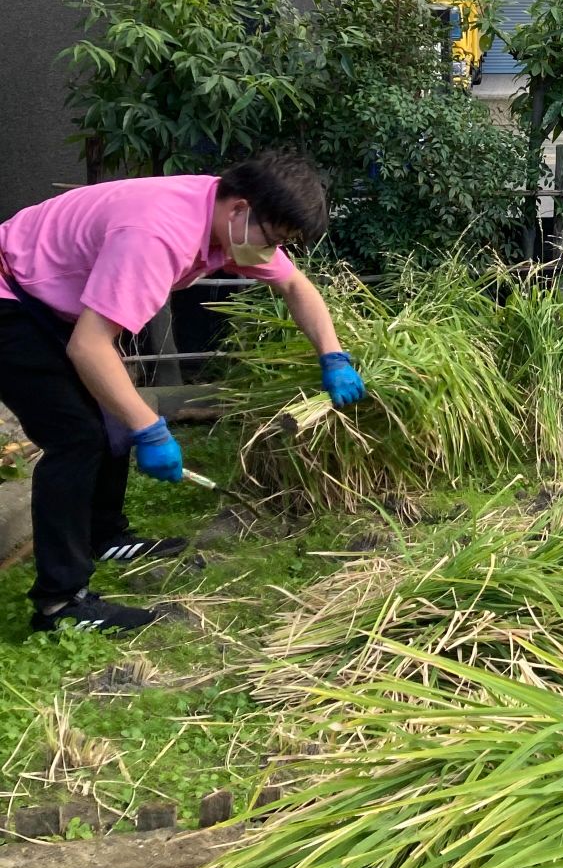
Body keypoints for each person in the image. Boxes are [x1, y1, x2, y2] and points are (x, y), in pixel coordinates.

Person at [0, 152, 364, 634]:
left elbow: (297, 286)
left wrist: (332, 356)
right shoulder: (159, 235)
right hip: (10, 295)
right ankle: (60, 603)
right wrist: (151, 431)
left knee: (112, 416)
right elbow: (89, 348)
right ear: (239, 210)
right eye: (272, 240)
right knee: (78, 436)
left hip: (41, 296)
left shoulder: (223, 217)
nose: (271, 253)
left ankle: (101, 534)